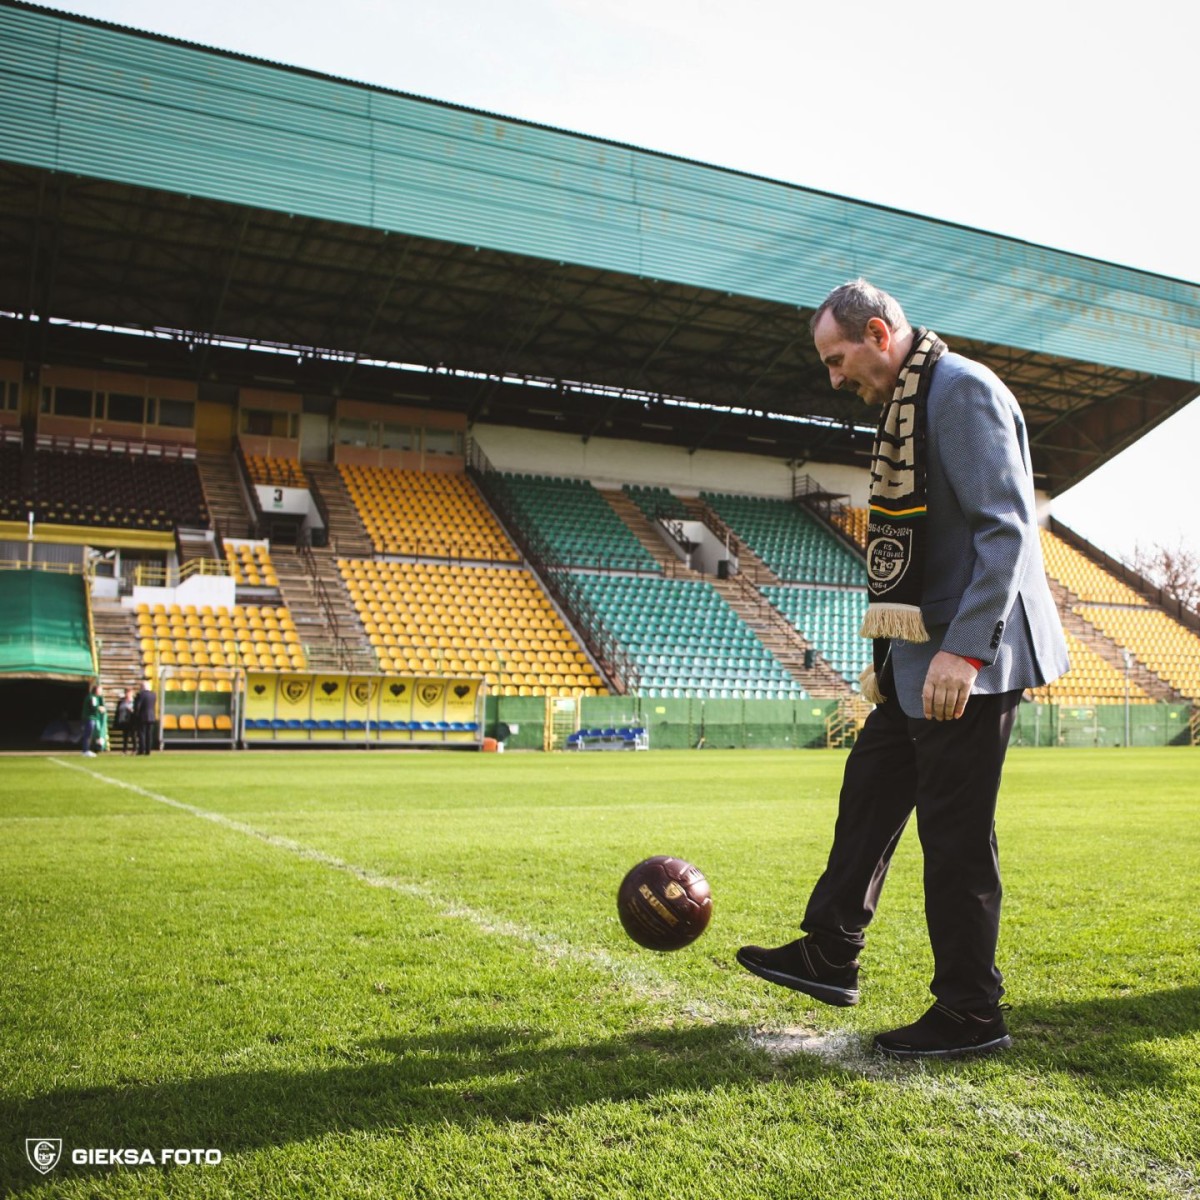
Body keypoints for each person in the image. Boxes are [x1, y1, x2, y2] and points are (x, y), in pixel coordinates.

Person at [737, 279, 1069, 1059]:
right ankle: (830, 950)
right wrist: (891, 658)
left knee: (954, 836)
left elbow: (1007, 529)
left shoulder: (960, 391)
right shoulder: (910, 404)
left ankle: (969, 1011)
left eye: (836, 358)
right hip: (922, 656)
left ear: (878, 333)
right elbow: (918, 553)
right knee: (870, 787)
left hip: (969, 660)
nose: (833, 377)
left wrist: (964, 650)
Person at [133, 678, 158, 756]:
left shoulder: (141, 695)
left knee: (142, 734)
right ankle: (148, 750)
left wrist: (135, 714)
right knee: (149, 734)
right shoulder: (153, 694)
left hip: (142, 716)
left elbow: (137, 706)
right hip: (151, 716)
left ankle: (141, 750)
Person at [80, 680, 104, 757]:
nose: (101, 692)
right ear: (96, 690)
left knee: (89, 734)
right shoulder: (92, 697)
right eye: (100, 690)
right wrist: (100, 708)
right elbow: (93, 707)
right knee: (88, 734)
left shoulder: (94, 697)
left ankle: (87, 749)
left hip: (91, 718)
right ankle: (85, 750)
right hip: (90, 718)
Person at [115, 686, 136, 754]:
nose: (127, 694)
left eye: (129, 693)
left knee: (133, 735)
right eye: (126, 692)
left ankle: (134, 749)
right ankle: (125, 749)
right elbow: (118, 710)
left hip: (132, 720)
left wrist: (131, 711)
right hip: (124, 720)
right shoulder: (122, 701)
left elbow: (136, 710)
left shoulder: (134, 701)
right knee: (125, 736)